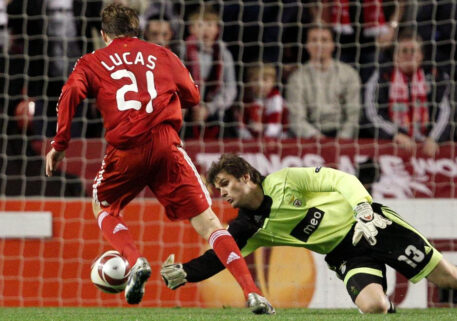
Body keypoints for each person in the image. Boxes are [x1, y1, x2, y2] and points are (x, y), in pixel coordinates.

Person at [44, 4, 274, 314]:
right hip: (167, 144)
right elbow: (193, 95)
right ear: (137, 29)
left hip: (126, 150)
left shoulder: (91, 61)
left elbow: (69, 93)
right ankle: (252, 293)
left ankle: (132, 258)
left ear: (103, 34)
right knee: (210, 224)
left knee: (104, 206)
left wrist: (60, 144)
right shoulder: (162, 54)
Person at [160, 153, 457, 315]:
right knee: (373, 307)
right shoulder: (246, 226)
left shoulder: (284, 180)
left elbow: (339, 178)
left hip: (373, 227)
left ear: (247, 177)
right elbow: (221, 255)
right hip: (345, 255)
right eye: (218, 190)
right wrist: (189, 272)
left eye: (225, 184)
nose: (222, 194)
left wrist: (363, 208)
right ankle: (387, 305)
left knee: (453, 279)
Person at [361, 30, 450, 157]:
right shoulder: (381, 76)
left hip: (428, 146)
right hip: (391, 147)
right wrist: (395, 134)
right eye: (404, 51)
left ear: (421, 55)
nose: (409, 55)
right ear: (395, 56)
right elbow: (370, 113)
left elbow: (445, 112)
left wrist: (434, 138)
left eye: (413, 51)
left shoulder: (436, 76)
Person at [286, 25, 361, 139]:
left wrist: (343, 138)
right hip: (310, 137)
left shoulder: (349, 74)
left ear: (333, 45)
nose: (319, 45)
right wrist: (315, 136)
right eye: (314, 40)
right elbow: (296, 118)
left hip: (342, 136)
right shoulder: (297, 78)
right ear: (307, 45)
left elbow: (354, 114)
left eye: (324, 40)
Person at [183, 5, 237, 139]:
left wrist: (209, 108)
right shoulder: (182, 51)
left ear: (217, 28)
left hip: (215, 112)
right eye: (200, 25)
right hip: (188, 110)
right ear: (191, 28)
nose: (206, 29)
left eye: (210, 24)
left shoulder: (224, 54)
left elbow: (231, 89)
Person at [235, 63, 288, 139]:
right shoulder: (245, 101)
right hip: (251, 143)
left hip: (276, 141)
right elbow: (240, 126)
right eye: (255, 80)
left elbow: (276, 126)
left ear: (273, 82)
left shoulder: (276, 99)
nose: (260, 84)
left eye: (265, 80)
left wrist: (264, 129)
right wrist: (249, 139)